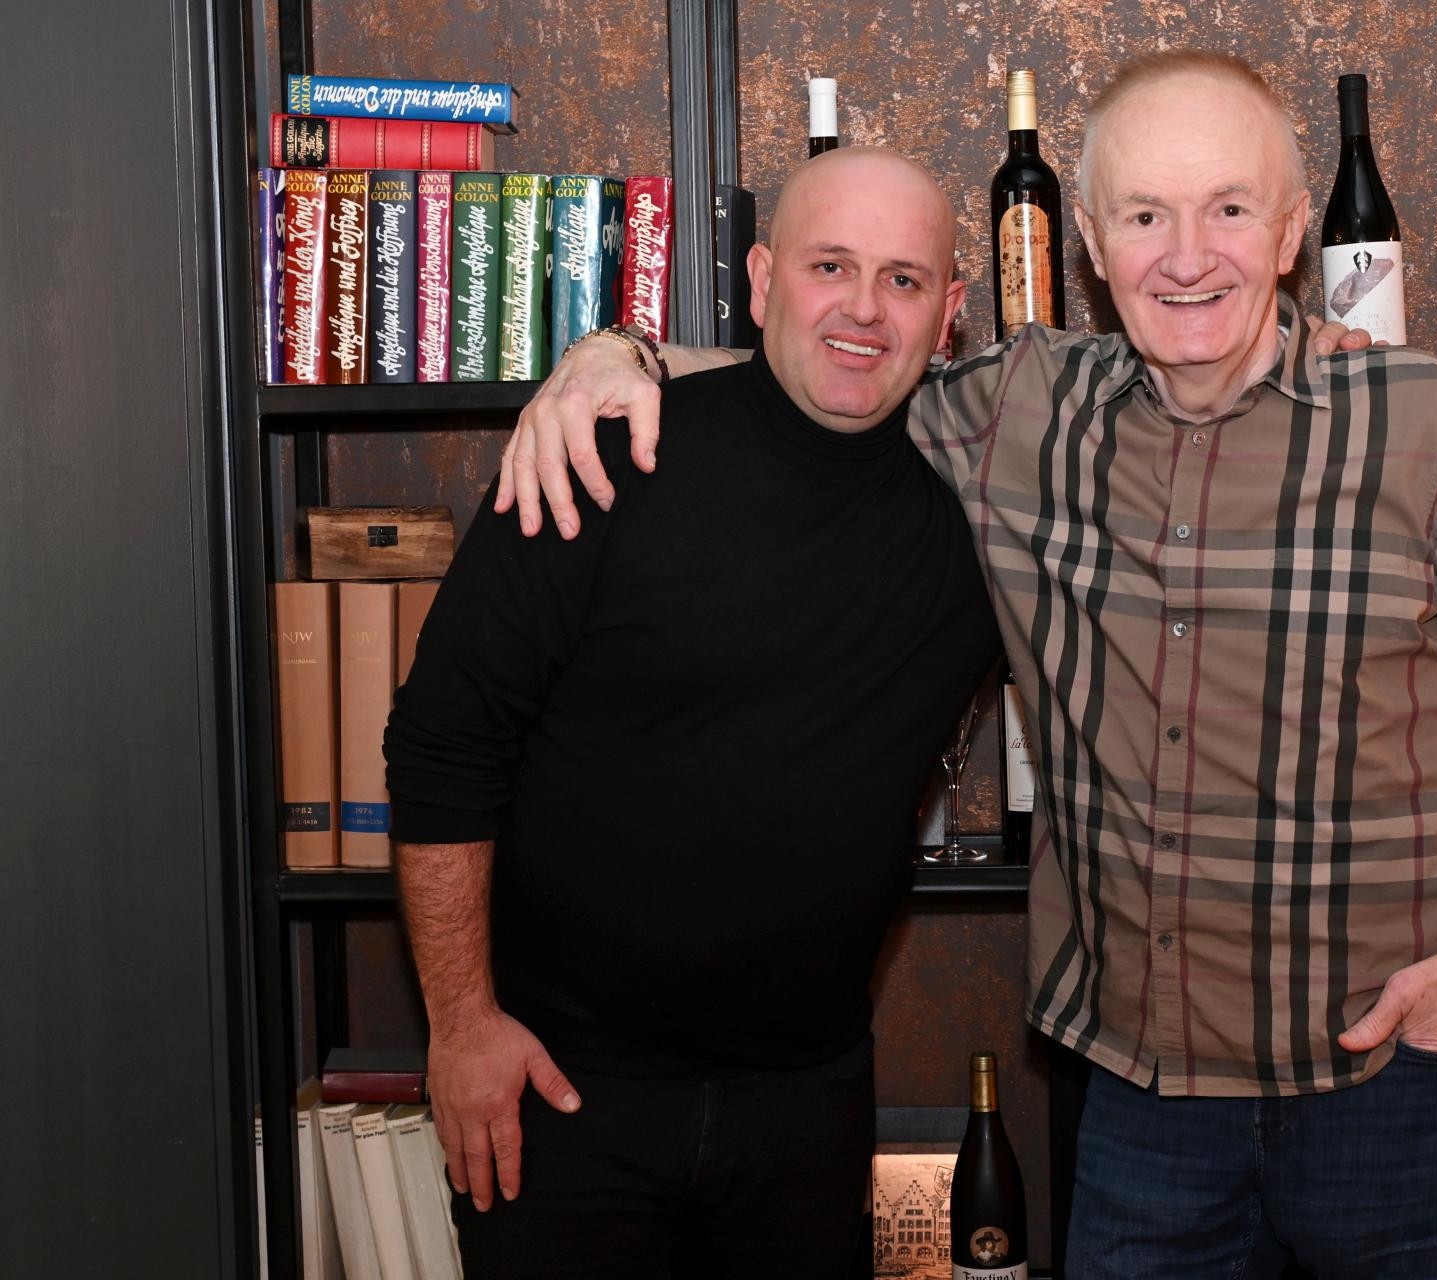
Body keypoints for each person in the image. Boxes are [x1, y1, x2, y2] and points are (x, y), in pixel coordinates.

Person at [500, 51, 1437, 1279]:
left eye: (1228, 209)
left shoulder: (1426, 418)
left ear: (1293, 229)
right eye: (1144, 216)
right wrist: (616, 356)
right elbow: (832, 367)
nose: (1185, 256)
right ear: (1090, 240)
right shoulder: (1027, 408)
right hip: (1145, 1105)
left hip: (1402, 1083)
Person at [383, 147, 1007, 1278]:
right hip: (560, 1094)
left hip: (807, 1107)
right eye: (830, 266)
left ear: (949, 310)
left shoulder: (978, 524)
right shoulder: (603, 455)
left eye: (905, 279)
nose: (865, 308)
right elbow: (441, 746)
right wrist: (462, 1024)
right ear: (763, 283)